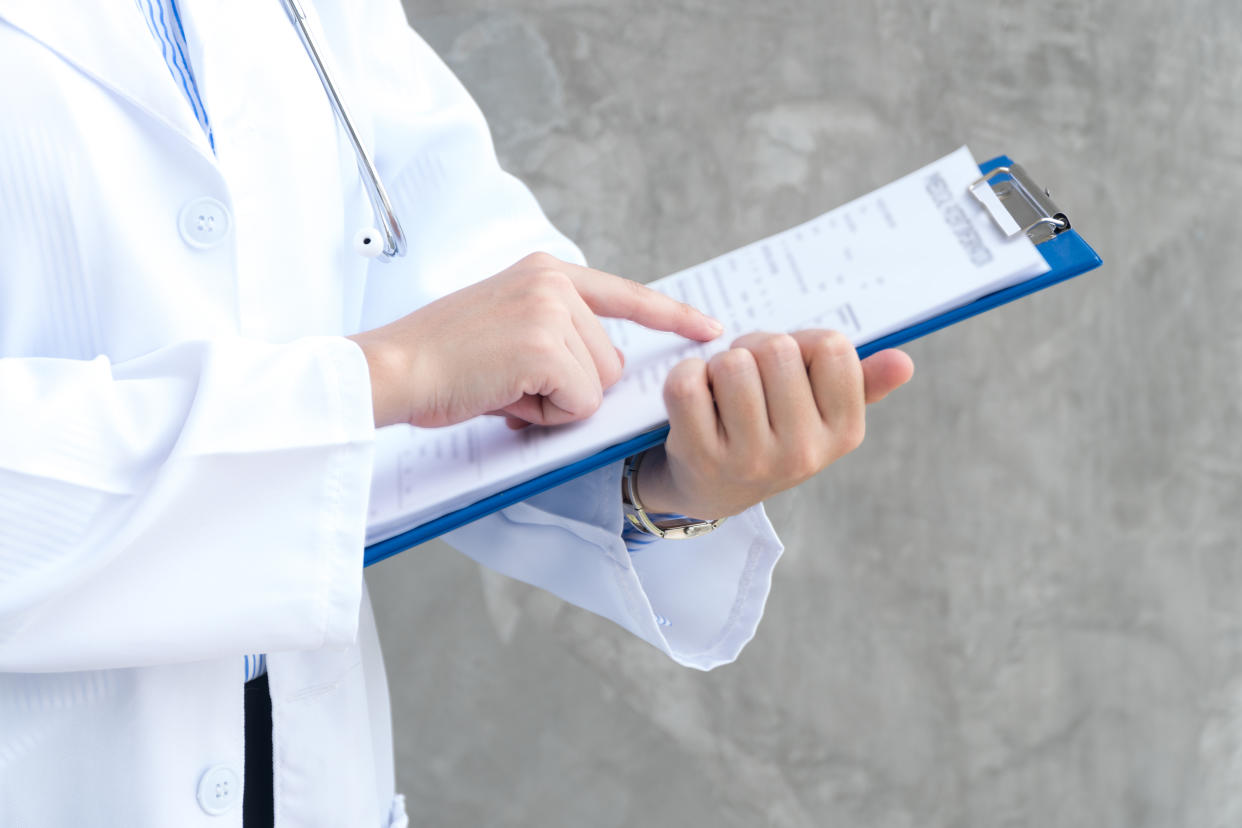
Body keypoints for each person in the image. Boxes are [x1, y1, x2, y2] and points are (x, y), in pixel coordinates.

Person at [0, 0, 913, 825]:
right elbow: (412, 365)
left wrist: (662, 473)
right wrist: (381, 375)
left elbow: (461, 291)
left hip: (298, 763)